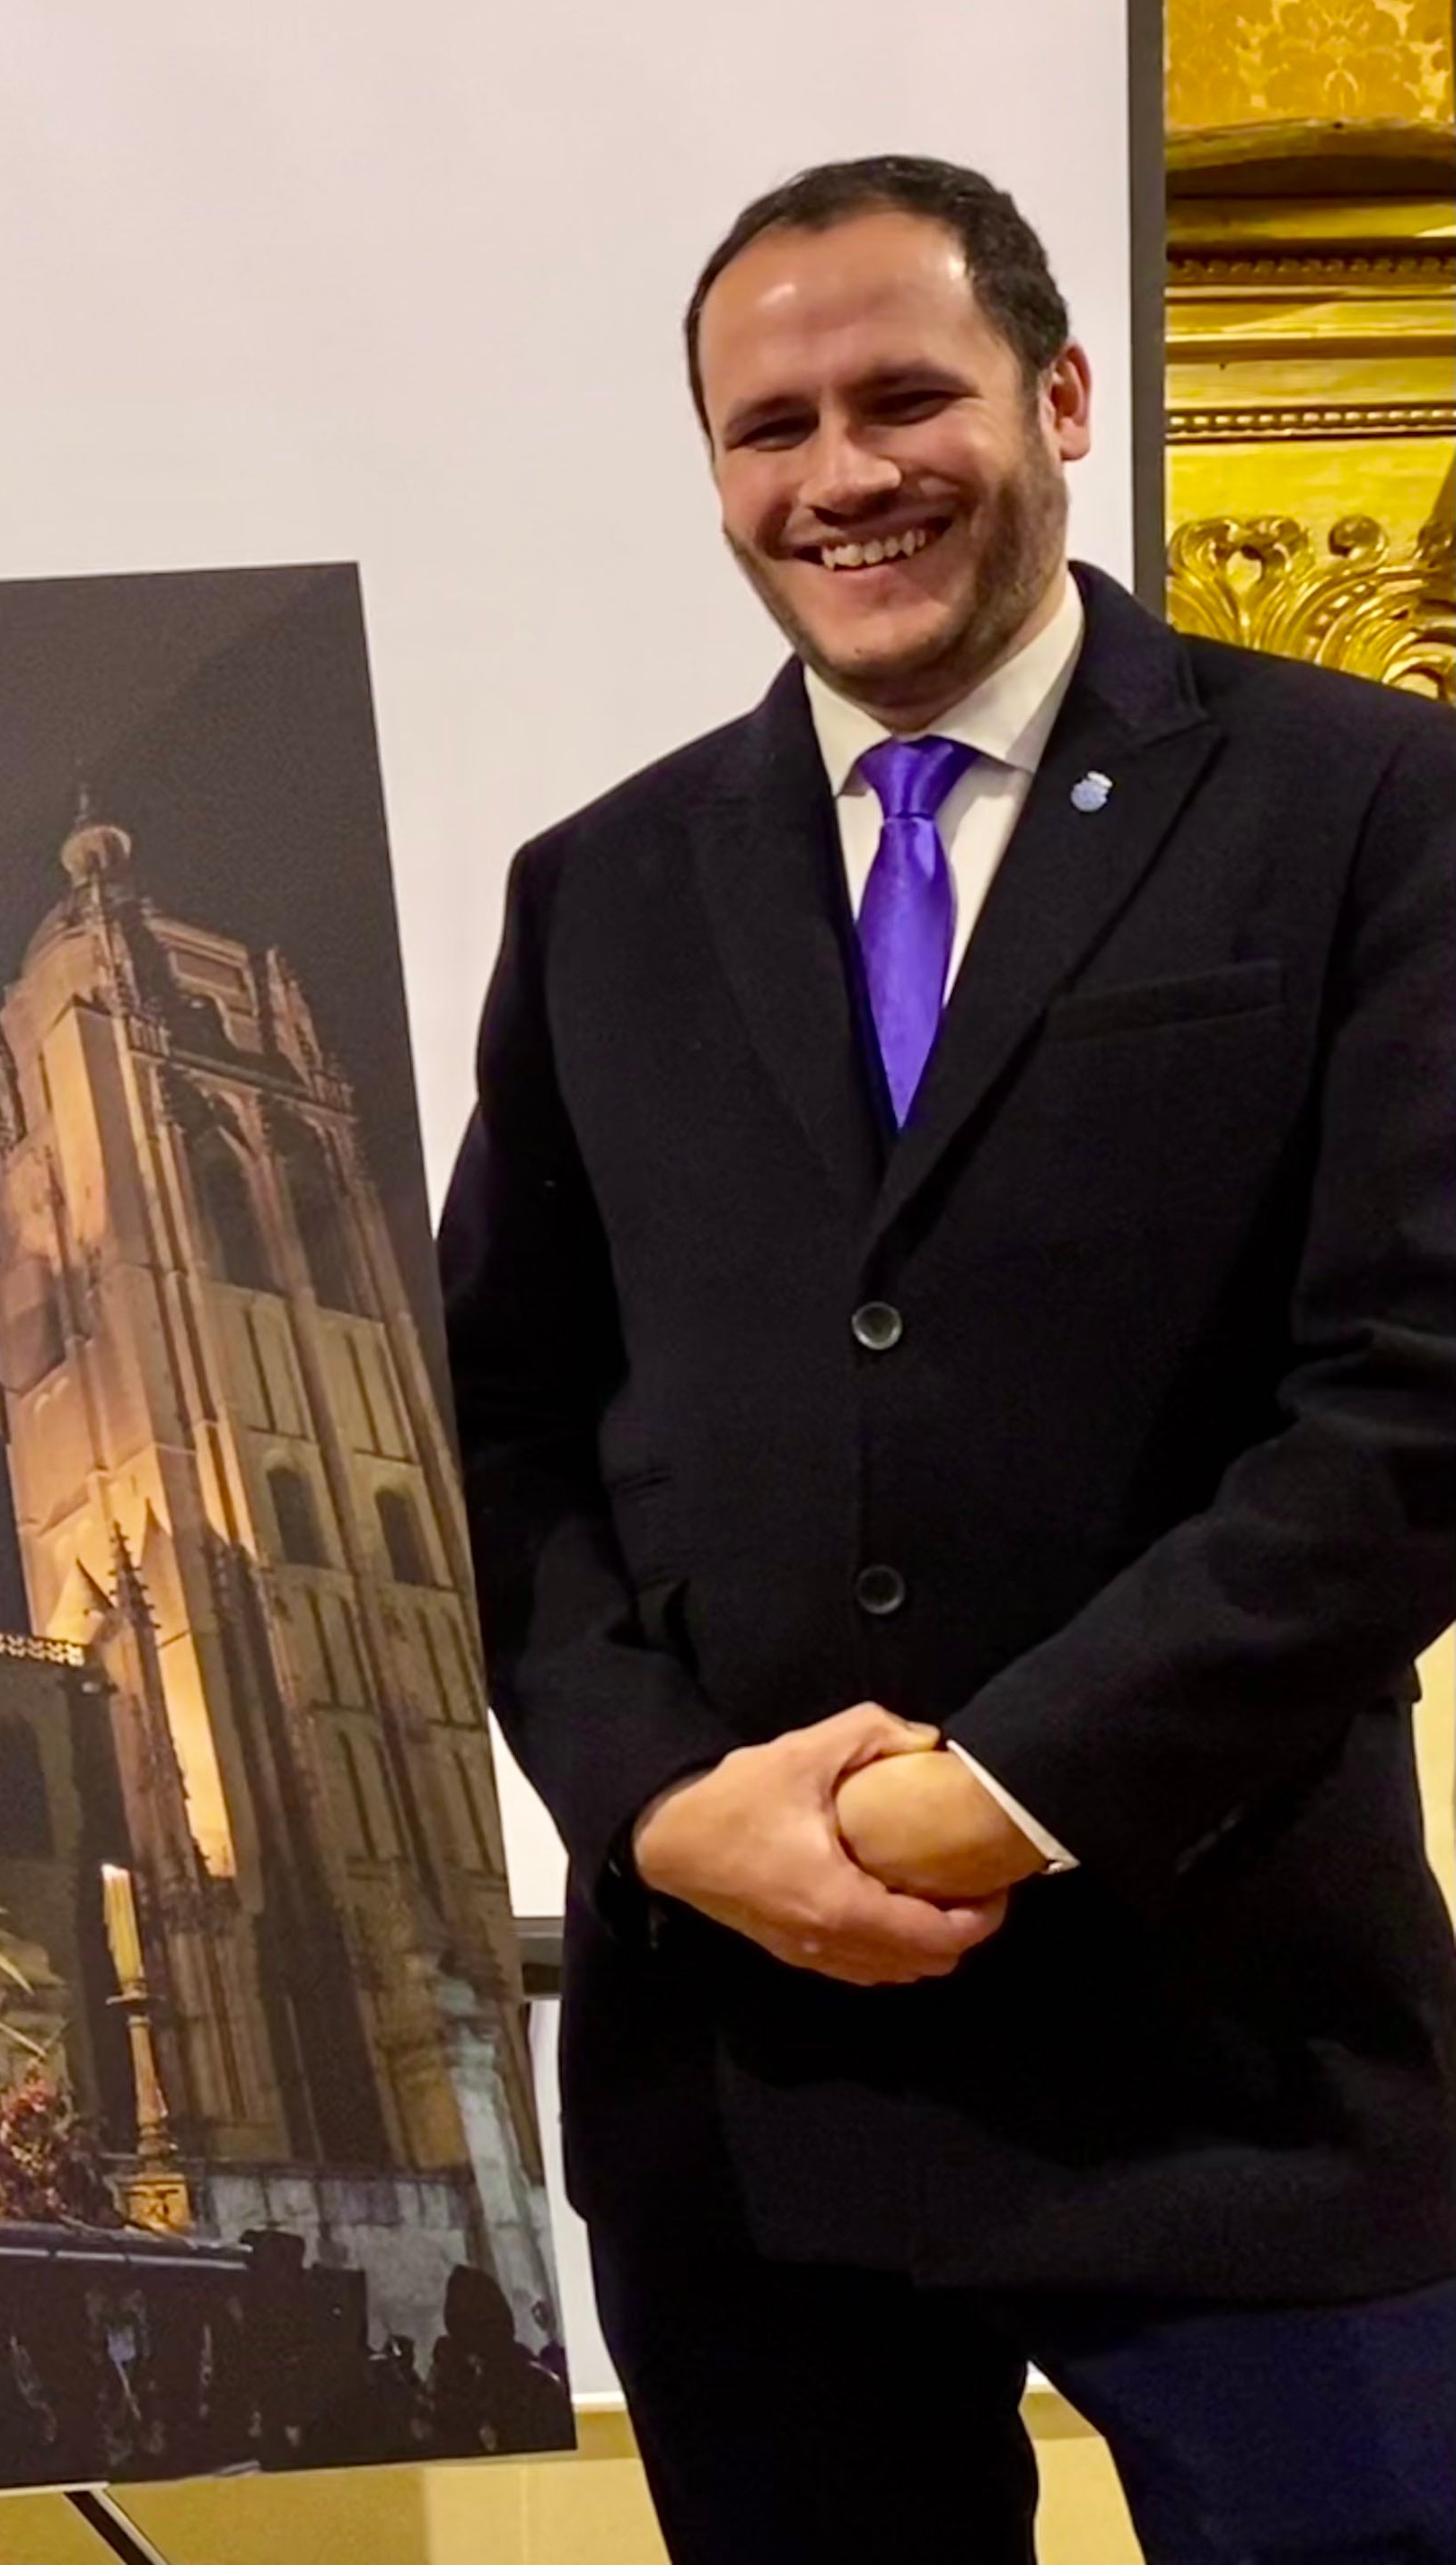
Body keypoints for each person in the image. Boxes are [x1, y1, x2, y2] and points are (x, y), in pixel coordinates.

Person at [444, 154, 1456, 2563]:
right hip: (745, 2080)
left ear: (1064, 397)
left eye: (905, 396)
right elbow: (485, 1430)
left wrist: (987, 1796)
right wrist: (668, 1812)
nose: (840, 475)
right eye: (767, 427)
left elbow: (1415, 1402)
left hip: (1233, 2043)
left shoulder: (1365, 806)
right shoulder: (602, 884)